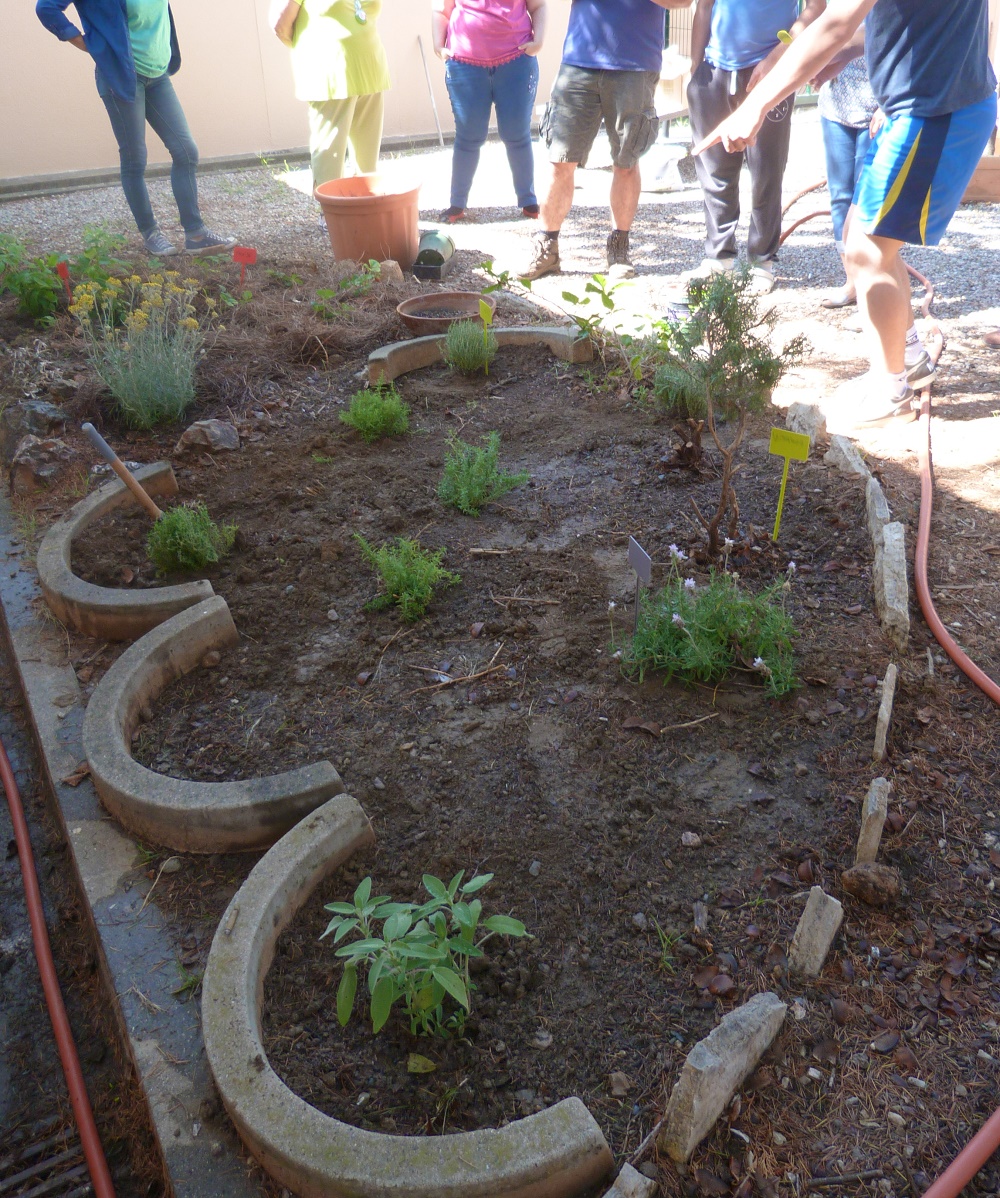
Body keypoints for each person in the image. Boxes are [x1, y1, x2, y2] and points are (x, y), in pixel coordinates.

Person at [694, 0, 997, 427]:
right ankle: (908, 357)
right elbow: (905, 21)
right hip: (918, 104)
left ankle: (890, 390)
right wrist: (850, 53)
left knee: (867, 251)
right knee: (863, 234)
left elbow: (835, 22)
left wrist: (754, 105)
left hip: (936, 110)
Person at [36, 0, 235, 257]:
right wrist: (90, 45)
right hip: (121, 75)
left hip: (158, 75)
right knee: (135, 159)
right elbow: (46, 7)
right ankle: (151, 234)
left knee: (186, 151)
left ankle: (196, 234)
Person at [520, 0, 693, 281]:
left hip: (635, 64)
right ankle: (547, 247)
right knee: (559, 159)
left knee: (626, 161)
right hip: (579, 60)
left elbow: (683, 2)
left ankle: (619, 250)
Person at [683, 0, 827, 295]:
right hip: (714, 70)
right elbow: (704, 7)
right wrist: (695, 71)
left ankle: (761, 261)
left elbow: (816, 7)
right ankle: (718, 257)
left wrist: (780, 53)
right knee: (713, 169)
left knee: (766, 170)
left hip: (770, 72)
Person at [431, 0, 547, 224]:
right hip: (464, 64)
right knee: (468, 136)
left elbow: (539, 6)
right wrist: (438, 45)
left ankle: (528, 200)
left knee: (517, 134)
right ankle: (457, 203)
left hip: (516, 61)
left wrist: (539, 41)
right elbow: (440, 10)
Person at [272, 0, 390, 190]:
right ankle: (329, 215)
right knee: (329, 156)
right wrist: (314, 50)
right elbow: (280, 24)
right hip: (329, 73)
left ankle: (366, 210)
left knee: (367, 164)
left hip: (371, 69)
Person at [816, 42, 879, 308]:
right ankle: (852, 281)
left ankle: (871, 285)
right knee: (840, 196)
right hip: (836, 106)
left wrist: (889, 106)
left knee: (865, 198)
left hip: (876, 109)